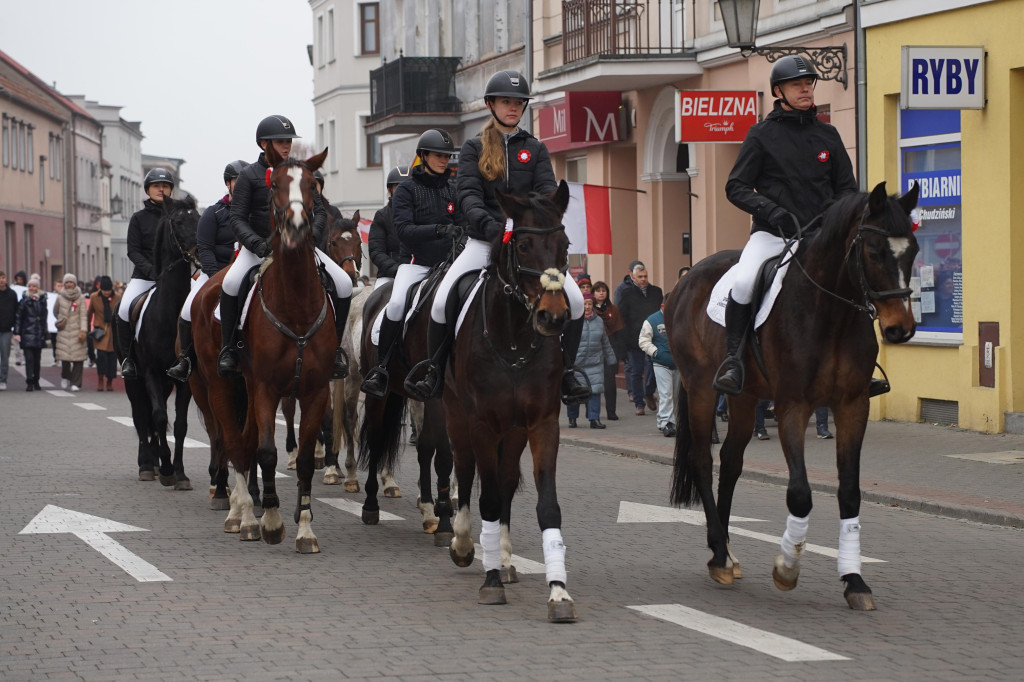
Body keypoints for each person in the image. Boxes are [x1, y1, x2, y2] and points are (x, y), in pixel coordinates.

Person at [408, 69, 587, 404]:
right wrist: (492, 230)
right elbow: (469, 197)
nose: (513, 108)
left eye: (519, 103)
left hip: (528, 246)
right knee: (443, 301)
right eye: (506, 102)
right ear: (491, 105)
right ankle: (434, 371)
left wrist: (531, 227)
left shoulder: (535, 149)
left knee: (574, 301)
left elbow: (548, 194)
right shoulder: (475, 149)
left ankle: (568, 372)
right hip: (483, 241)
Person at [715, 55, 858, 396]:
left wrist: (835, 219)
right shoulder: (761, 135)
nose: (805, 90)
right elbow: (735, 186)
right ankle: (733, 360)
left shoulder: (828, 134)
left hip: (819, 236)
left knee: (854, 281)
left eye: (809, 84)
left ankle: (859, 365)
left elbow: (848, 190)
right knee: (746, 281)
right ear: (779, 91)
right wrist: (770, 210)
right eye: (797, 85)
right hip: (773, 235)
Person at [217, 115, 352, 379]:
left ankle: (333, 350)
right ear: (264, 145)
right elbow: (237, 217)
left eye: (289, 141)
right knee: (230, 284)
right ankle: (230, 348)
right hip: (258, 249)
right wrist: (256, 244)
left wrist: (309, 236)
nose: (287, 146)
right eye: (281, 142)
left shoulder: (301, 173)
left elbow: (321, 212)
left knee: (344, 284)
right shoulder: (248, 176)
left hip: (301, 248)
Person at [360, 129, 463, 398]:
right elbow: (404, 230)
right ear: (423, 156)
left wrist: (461, 234)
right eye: (438, 155)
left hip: (450, 264)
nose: (444, 160)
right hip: (416, 265)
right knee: (395, 304)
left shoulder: (453, 189)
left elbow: (463, 223)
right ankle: (381, 369)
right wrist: (438, 230)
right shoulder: (407, 190)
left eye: (447, 156)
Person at [167, 160, 247, 382]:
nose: (240, 187)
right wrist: (215, 277)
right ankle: (186, 359)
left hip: (247, 272)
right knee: (187, 308)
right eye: (236, 182)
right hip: (215, 273)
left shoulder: (254, 213)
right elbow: (205, 248)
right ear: (228, 184)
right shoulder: (214, 213)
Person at [116, 167, 175, 379]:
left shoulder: (177, 216)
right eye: (156, 186)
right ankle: (127, 358)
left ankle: (189, 356)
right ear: (148, 189)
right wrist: (151, 270)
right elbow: (133, 250)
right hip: (144, 276)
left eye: (165, 186)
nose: (161, 189)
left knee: (195, 307)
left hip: (174, 278)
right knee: (123, 309)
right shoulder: (138, 218)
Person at [618, 263, 663, 415]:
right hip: (634, 339)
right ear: (633, 277)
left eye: (645, 276)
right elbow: (622, 317)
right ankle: (639, 403)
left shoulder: (656, 292)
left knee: (654, 368)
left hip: (653, 338)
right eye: (640, 277)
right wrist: (624, 340)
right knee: (636, 372)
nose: (643, 279)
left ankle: (648, 392)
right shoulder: (627, 293)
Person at [565, 293, 615, 429]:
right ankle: (572, 418)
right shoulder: (573, 321)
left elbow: (605, 342)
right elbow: (566, 341)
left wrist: (611, 359)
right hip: (576, 363)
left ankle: (594, 419)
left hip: (595, 362)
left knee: (595, 391)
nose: (587, 307)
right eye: (584, 304)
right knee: (574, 392)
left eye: (589, 304)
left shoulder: (599, 321)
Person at [369, 165, 411, 290]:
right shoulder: (382, 216)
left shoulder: (423, 214)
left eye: (408, 188)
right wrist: (397, 270)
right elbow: (376, 252)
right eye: (399, 188)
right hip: (390, 276)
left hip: (417, 271)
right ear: (390, 190)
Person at [639, 304, 677, 437]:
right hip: (661, 363)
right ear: (663, 305)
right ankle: (666, 423)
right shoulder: (652, 320)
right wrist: (656, 353)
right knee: (666, 393)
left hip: (679, 364)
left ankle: (670, 421)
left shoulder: (680, 316)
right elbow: (643, 341)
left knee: (676, 394)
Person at [591, 279, 625, 421]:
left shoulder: (613, 309)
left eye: (603, 290)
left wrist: (619, 353)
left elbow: (619, 331)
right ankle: (592, 413)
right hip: (593, 347)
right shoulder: (589, 308)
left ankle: (611, 410)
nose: (601, 293)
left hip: (610, 346)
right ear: (593, 293)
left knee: (610, 381)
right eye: (598, 291)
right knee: (592, 381)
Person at [54, 273, 89, 392]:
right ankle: (65, 376)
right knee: (64, 358)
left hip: (77, 331)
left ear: (75, 284)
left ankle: (76, 383)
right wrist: (60, 320)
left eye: (71, 282)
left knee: (78, 359)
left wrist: (83, 330)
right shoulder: (59, 297)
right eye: (67, 282)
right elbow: (55, 311)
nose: (69, 284)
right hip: (64, 331)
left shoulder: (81, 297)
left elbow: (83, 315)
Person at [14, 275, 48, 391]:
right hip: (27, 332)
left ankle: (36, 380)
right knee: (29, 359)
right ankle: (29, 381)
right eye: (30, 286)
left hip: (38, 333)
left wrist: (45, 331)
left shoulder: (43, 300)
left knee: (37, 360)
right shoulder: (24, 301)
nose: (32, 288)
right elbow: (18, 317)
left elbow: (44, 317)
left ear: (37, 287)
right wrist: (17, 332)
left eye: (34, 286)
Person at [89, 276, 120, 391]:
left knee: (112, 359)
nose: (106, 293)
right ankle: (100, 380)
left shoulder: (117, 297)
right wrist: (87, 328)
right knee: (101, 358)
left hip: (113, 333)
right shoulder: (94, 297)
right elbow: (89, 313)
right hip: (100, 332)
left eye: (108, 290)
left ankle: (110, 382)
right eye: (104, 290)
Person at [0, 270, 18, 390]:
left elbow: (16, 311)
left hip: (6, 329)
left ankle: (3, 379)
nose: (1, 280)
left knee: (5, 356)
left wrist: (16, 329)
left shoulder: (12, 294)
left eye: (3, 277)